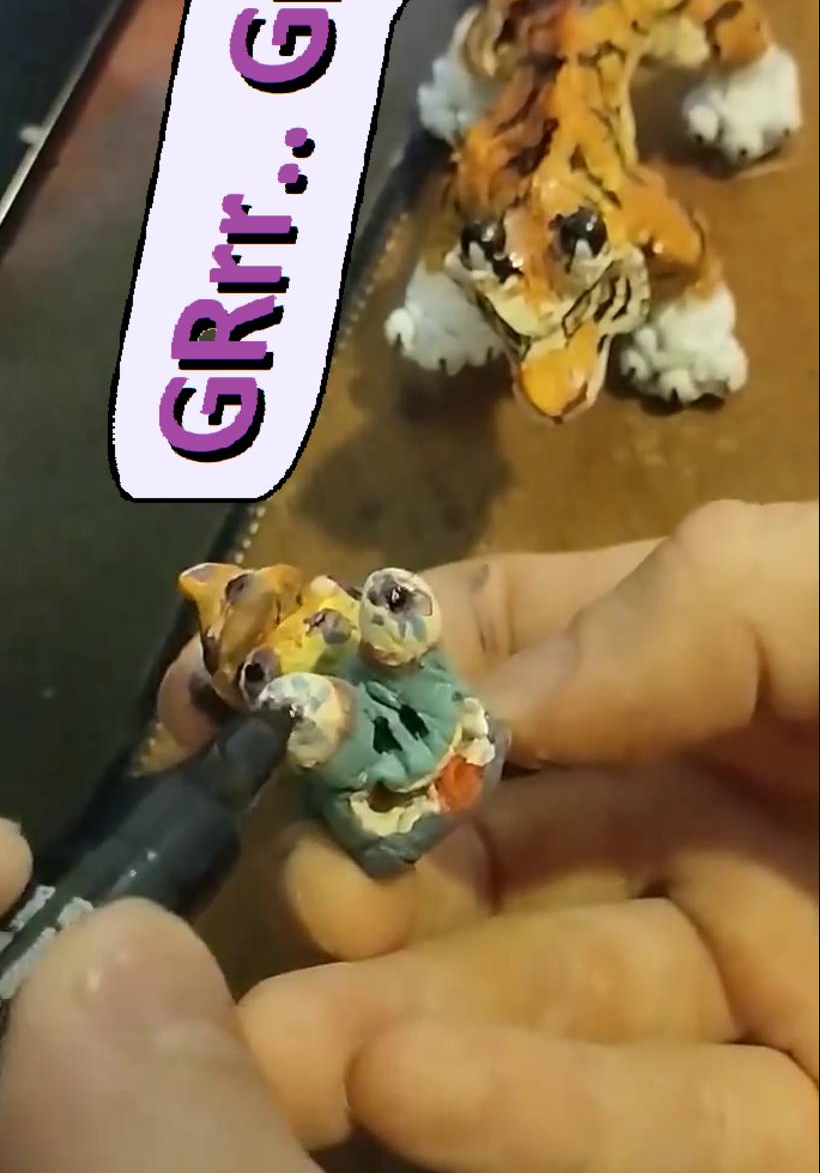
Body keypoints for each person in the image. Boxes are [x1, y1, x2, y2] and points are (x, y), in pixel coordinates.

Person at [0, 499, 816, 1172]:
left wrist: (400, 639)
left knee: (400, 687)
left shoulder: (364, 646)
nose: (304, 633)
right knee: (342, 770)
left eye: (303, 609)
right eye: (263, 663)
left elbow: (424, 677)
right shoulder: (312, 712)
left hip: (444, 731)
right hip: (382, 781)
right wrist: (328, 723)